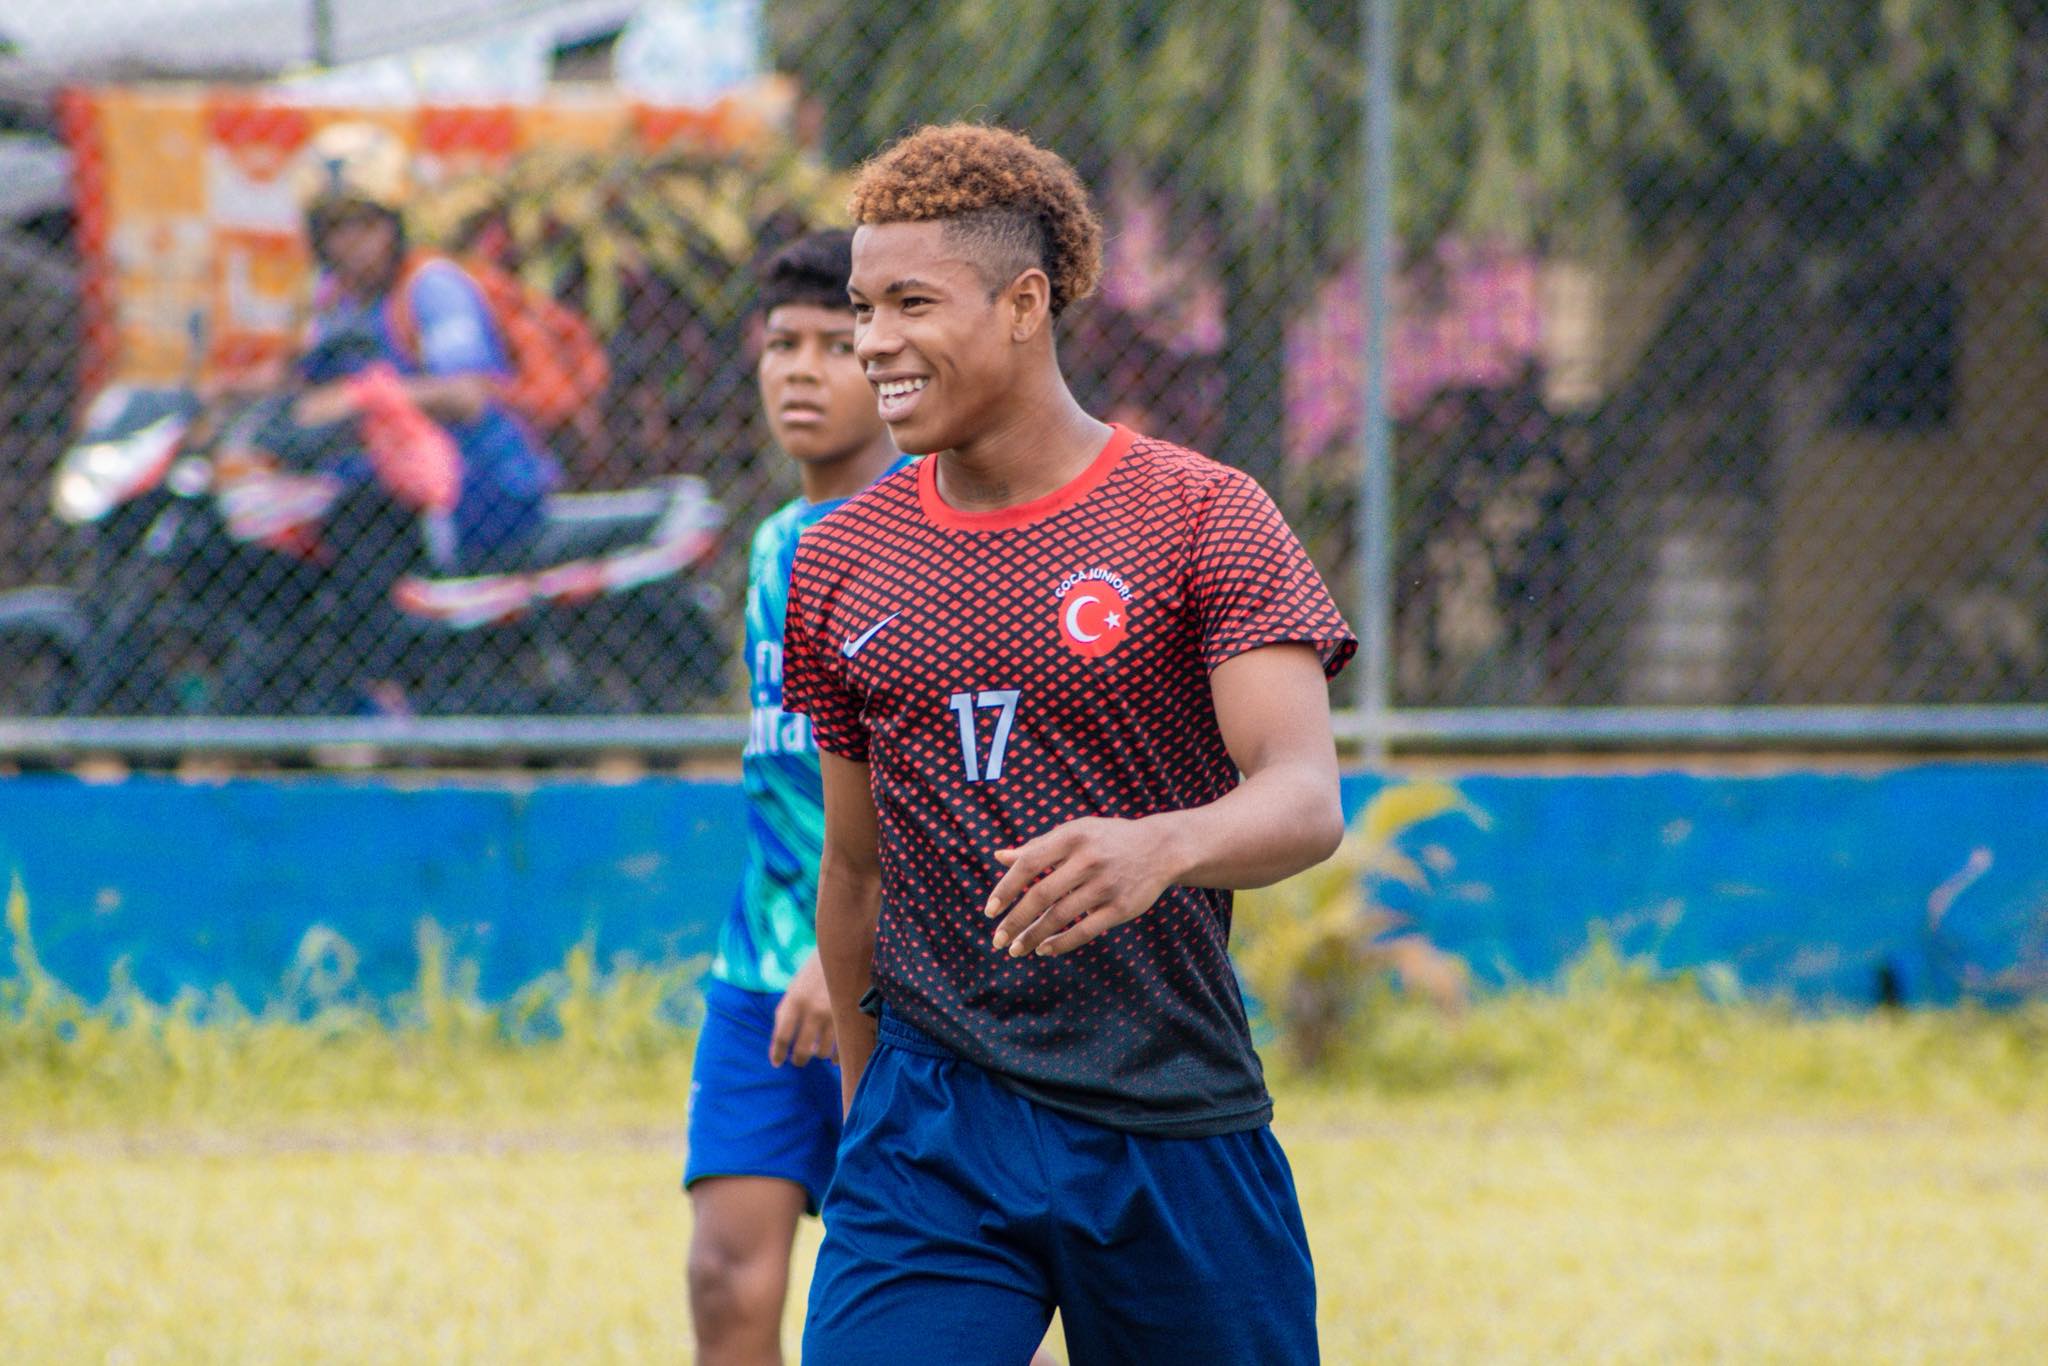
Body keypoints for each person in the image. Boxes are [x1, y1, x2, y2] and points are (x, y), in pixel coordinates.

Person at [781, 125, 1357, 1365]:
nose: (872, 341)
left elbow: (1304, 795)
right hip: (930, 1130)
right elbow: (856, 871)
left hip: (1170, 1114)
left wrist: (1160, 847)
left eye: (910, 303)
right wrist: (869, 1119)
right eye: (863, 308)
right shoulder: (836, 559)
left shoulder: (1201, 515)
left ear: (1024, 303)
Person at [682, 231, 907, 1366]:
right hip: (759, 968)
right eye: (783, 345)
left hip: (899, 979)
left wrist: (848, 948)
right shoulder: (774, 544)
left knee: (939, 1296)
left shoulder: (931, 536)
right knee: (724, 1276)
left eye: (834, 344)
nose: (803, 371)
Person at [287, 122, 561, 571]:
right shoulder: (334, 301)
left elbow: (467, 397)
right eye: (335, 227)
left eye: (366, 224)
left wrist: (363, 398)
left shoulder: (431, 288)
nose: (351, 243)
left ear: (396, 224)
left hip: (482, 497)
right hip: (388, 502)